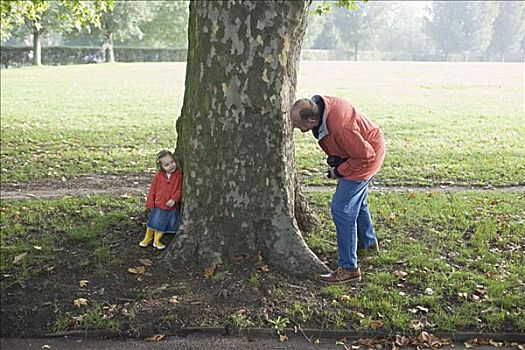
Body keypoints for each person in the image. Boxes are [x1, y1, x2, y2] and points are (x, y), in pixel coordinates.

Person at [290, 95, 385, 284]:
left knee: (342, 209)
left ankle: (349, 268)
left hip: (365, 159)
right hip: (362, 152)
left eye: (298, 124)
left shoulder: (341, 127)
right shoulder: (321, 107)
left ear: (311, 119)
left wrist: (339, 170)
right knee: (358, 202)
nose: (297, 130)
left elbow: (365, 155)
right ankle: (368, 243)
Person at [139, 150, 183, 250]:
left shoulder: (178, 175)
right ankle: (147, 238)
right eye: (167, 164)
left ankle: (156, 240)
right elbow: (153, 189)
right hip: (159, 204)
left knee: (163, 224)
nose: (171, 166)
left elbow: (179, 189)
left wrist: (174, 199)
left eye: (172, 162)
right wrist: (150, 202)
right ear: (161, 166)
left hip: (170, 206)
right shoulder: (158, 176)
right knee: (153, 221)